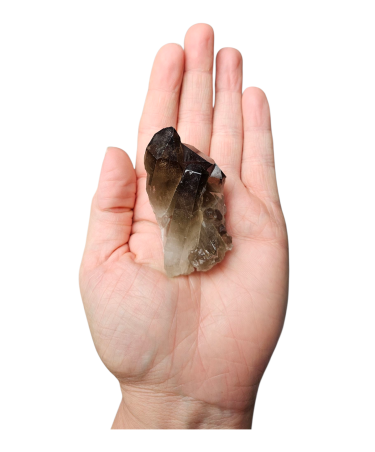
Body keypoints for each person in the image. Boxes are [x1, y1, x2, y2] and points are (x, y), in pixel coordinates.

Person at [79, 23, 289, 429]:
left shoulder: (196, 177)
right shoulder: (187, 176)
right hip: (190, 234)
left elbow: (208, 178)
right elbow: (205, 179)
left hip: (194, 232)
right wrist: (156, 403)